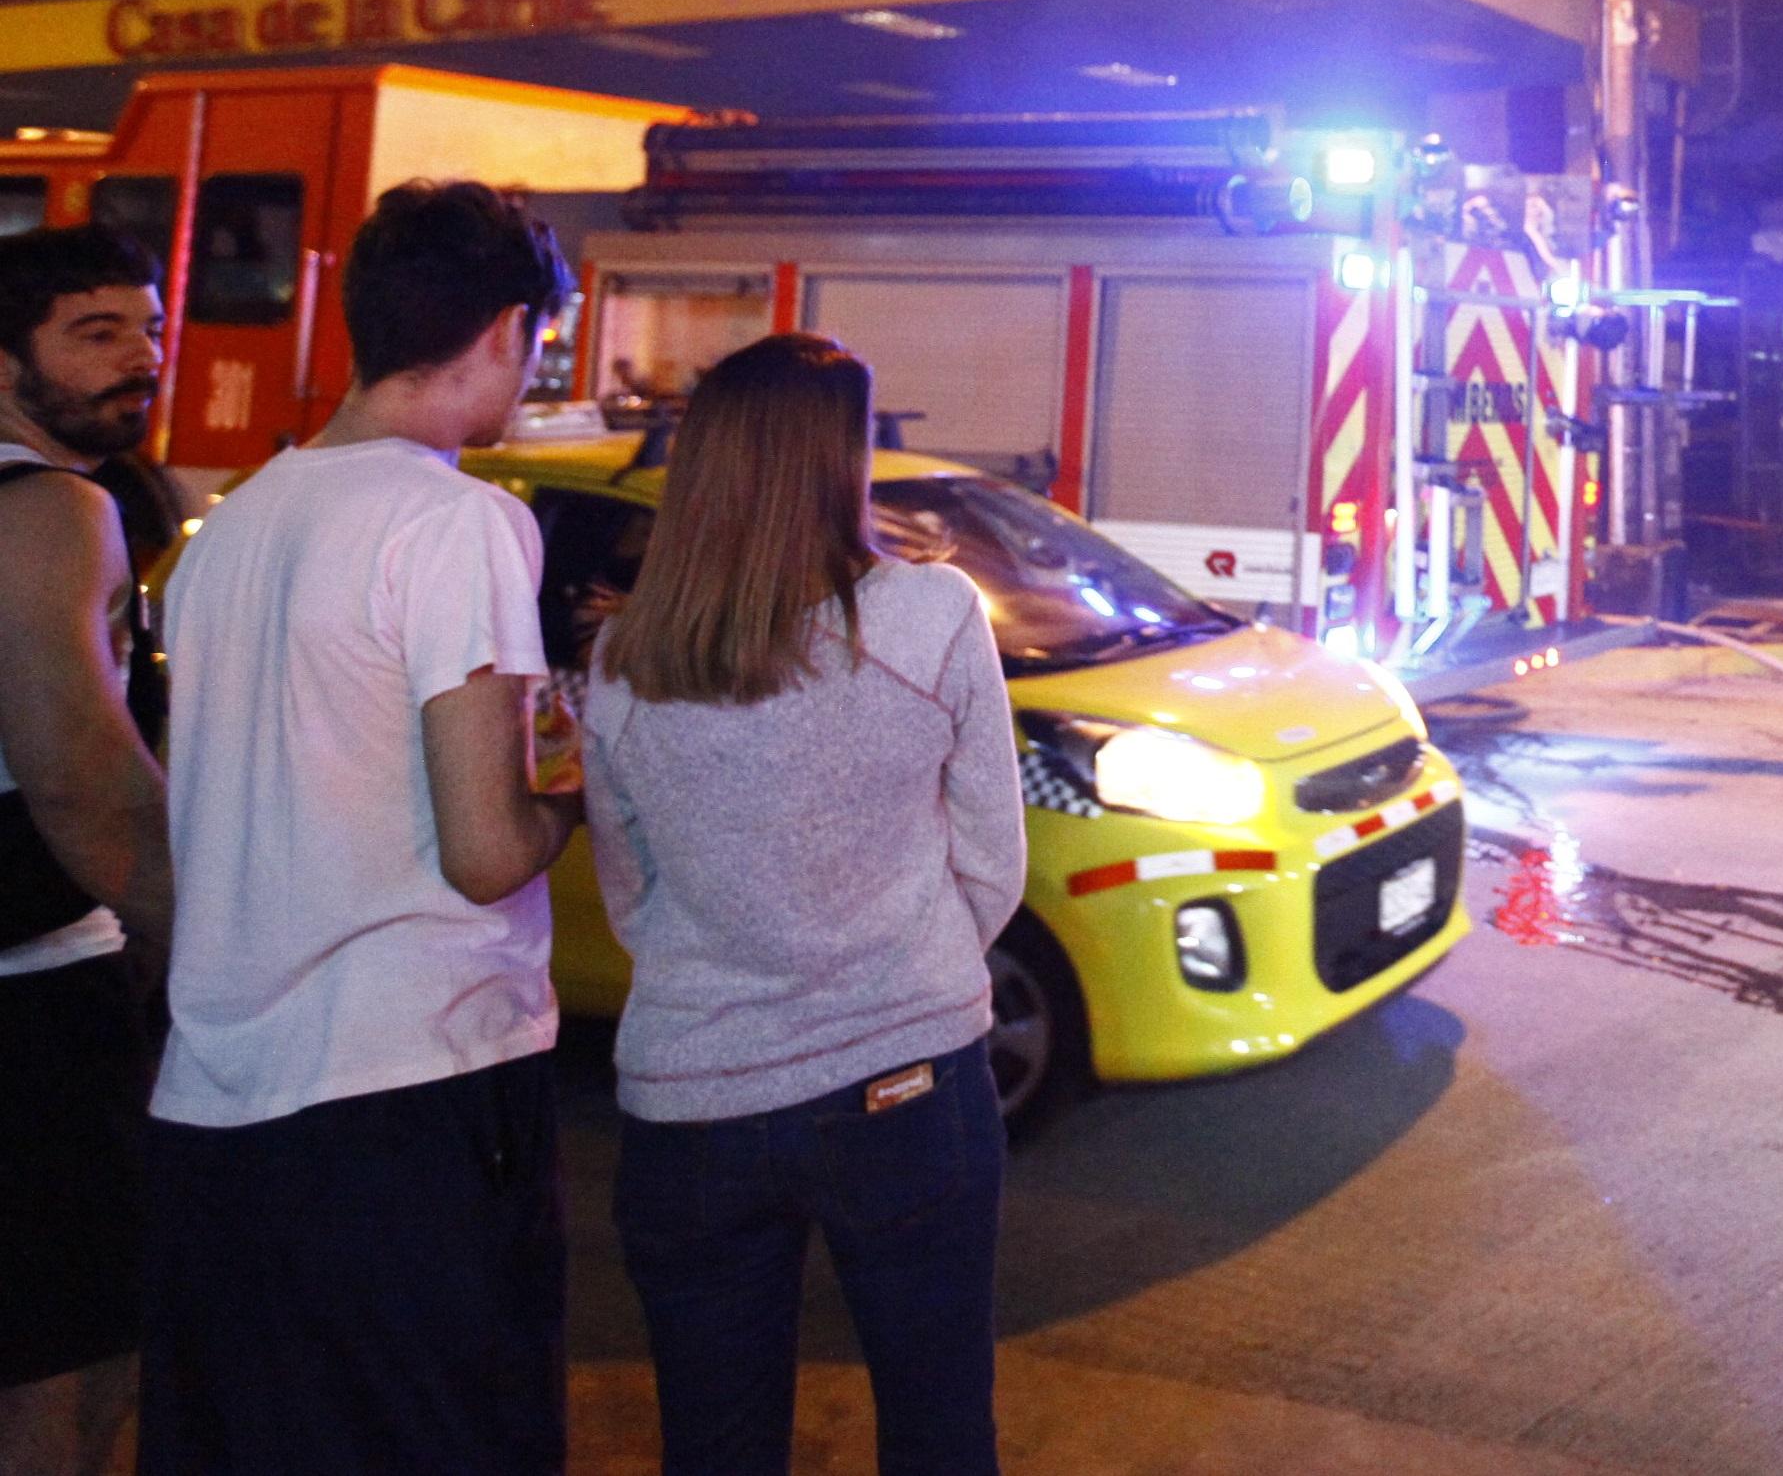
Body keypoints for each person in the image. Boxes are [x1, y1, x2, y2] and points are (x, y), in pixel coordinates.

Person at [142, 181, 584, 1476]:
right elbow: (485, 848)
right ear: (506, 328)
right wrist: (573, 781)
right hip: (411, 1091)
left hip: (216, 1098)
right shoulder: (458, 521)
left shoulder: (234, 525)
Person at [582, 334, 1021, 1475]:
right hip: (907, 1082)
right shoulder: (929, 614)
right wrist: (904, 966)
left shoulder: (625, 657)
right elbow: (991, 858)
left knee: (715, 1445)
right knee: (939, 1429)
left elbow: (632, 889)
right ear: (838, 460)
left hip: (692, 1100)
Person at [0, 228, 173, 1476]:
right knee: (72, 1361)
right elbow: (80, 775)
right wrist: (206, 932)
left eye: (150, 327)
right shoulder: (54, 506)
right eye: (96, 332)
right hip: (40, 994)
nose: (143, 358)